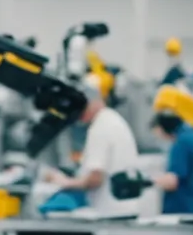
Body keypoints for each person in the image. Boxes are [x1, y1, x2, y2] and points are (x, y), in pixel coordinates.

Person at [42, 75, 141, 211]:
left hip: (110, 213)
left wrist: (63, 182)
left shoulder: (100, 128)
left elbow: (95, 179)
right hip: (122, 209)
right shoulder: (111, 120)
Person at [150, 112, 193, 214]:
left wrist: (150, 181)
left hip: (184, 212)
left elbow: (172, 181)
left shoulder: (181, 142)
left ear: (162, 129)